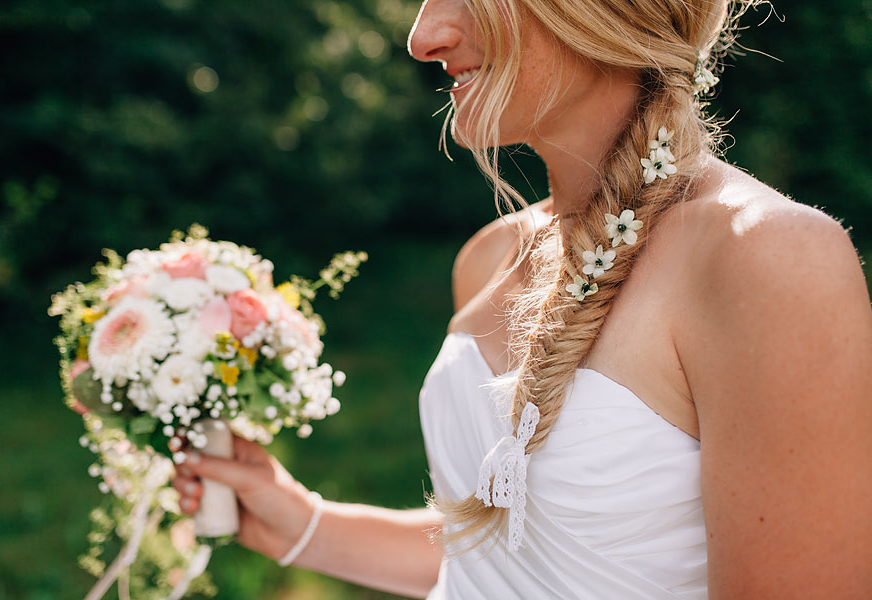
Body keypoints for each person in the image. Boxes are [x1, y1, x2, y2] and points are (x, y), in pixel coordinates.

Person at [173, 0, 872, 597]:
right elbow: (504, 554)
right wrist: (305, 524)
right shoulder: (489, 260)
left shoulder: (765, 260)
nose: (423, 37)